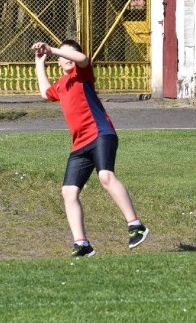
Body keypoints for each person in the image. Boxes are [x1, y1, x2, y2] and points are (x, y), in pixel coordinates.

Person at [32, 39, 149, 257]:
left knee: (105, 176)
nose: (66, 58)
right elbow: (45, 92)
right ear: (58, 62)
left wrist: (56, 50)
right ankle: (82, 244)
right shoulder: (62, 83)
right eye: (62, 56)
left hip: (101, 135)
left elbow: (83, 59)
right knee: (68, 192)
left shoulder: (82, 74)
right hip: (80, 145)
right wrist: (40, 61)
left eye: (70, 54)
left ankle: (136, 225)